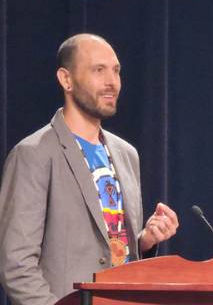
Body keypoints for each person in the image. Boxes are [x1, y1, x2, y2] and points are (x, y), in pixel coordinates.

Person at [0, 34, 179, 305]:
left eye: (116, 71)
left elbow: (111, 251)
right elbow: (16, 265)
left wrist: (144, 241)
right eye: (99, 70)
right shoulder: (33, 154)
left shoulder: (127, 154)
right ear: (66, 79)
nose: (112, 83)